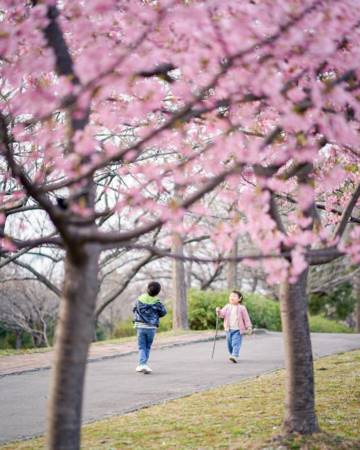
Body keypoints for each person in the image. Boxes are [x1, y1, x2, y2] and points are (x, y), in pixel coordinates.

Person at [133, 281, 167, 374]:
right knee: (147, 346)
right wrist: (155, 315)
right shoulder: (157, 302)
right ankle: (143, 364)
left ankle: (142, 364)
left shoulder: (140, 299)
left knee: (141, 346)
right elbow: (163, 312)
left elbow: (134, 309)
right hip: (151, 328)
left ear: (147, 289)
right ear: (158, 292)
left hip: (140, 326)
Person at [216, 290, 252, 363]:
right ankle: (232, 354)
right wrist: (218, 311)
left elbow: (246, 318)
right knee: (229, 344)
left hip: (238, 330)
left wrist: (249, 327)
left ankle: (235, 355)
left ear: (239, 299)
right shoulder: (227, 306)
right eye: (231, 296)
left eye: (234, 296)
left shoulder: (242, 308)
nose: (232, 297)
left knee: (236, 343)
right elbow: (221, 315)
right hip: (228, 329)